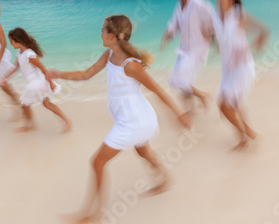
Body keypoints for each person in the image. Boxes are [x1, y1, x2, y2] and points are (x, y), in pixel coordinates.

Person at [47, 15, 190, 223]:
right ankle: (165, 179)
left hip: (133, 120)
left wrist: (179, 115)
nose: (101, 34)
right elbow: (86, 74)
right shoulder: (109, 55)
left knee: (97, 162)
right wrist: (59, 74)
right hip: (129, 116)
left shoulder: (131, 65)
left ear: (113, 36)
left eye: (103, 31)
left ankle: (93, 212)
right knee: (143, 151)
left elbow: (157, 89)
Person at [212, 0, 269, 150]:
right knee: (235, 104)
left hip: (242, 68)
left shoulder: (238, 14)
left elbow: (262, 29)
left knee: (224, 105)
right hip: (228, 69)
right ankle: (244, 137)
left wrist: (260, 41)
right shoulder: (216, 16)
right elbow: (217, 35)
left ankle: (247, 133)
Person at [161, 0, 214, 114]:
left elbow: (212, 21)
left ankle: (201, 97)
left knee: (181, 81)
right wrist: (166, 35)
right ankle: (191, 108)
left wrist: (212, 35)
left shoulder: (200, 4)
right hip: (184, 50)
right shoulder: (179, 7)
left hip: (197, 50)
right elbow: (174, 25)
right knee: (175, 82)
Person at [2, 27, 72, 132]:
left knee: (25, 104)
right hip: (35, 82)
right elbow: (16, 68)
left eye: (11, 41)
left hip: (36, 83)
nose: (10, 44)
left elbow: (43, 68)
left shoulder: (29, 55)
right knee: (46, 103)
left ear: (18, 40)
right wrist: (5, 78)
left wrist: (51, 83)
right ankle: (67, 120)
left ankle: (30, 125)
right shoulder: (20, 53)